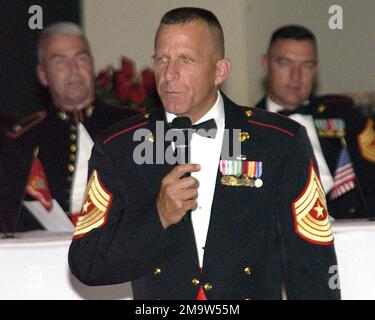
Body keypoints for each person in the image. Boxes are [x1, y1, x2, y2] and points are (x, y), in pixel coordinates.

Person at [69, 7, 340, 300]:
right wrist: (157, 216)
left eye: (186, 59)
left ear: (220, 71)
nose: (170, 74)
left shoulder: (278, 142)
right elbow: (88, 265)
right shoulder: (120, 146)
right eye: (162, 59)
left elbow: (312, 270)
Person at [0, 22, 137, 234]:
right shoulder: (22, 141)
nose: (73, 70)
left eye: (80, 58)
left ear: (91, 64)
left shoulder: (132, 125)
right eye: (60, 61)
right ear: (43, 75)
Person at [256, 25, 375, 219]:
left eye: (307, 65)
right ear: (266, 64)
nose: (296, 76)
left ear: (316, 69)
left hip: (348, 230)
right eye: (285, 63)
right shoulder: (244, 125)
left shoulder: (343, 115)